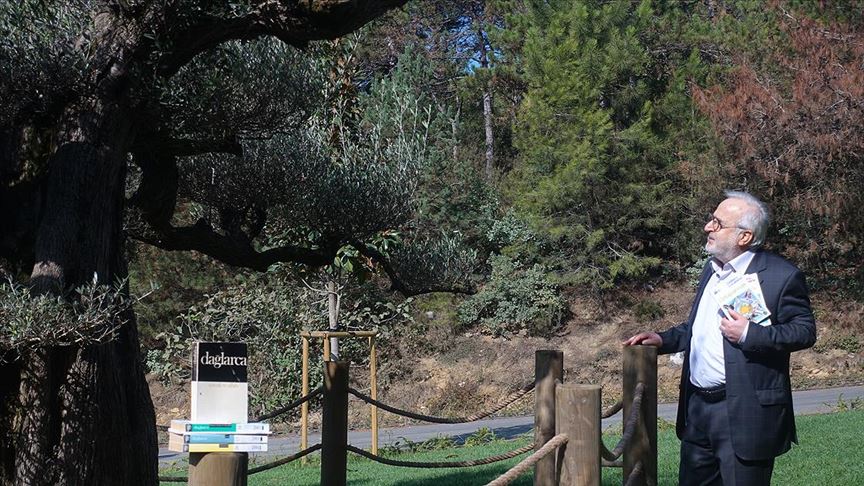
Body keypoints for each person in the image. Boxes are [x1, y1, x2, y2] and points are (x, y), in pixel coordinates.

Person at [624, 190, 816, 485]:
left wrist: (750, 333)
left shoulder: (781, 275)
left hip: (746, 414)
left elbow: (804, 331)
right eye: (710, 220)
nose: (707, 227)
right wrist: (664, 340)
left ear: (745, 237)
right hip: (697, 409)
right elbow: (699, 328)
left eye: (717, 223)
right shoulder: (711, 270)